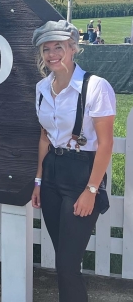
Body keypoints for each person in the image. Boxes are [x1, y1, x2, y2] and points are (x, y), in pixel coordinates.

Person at [31, 20, 115, 302]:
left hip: (83, 173)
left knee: (67, 266)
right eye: (47, 48)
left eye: (59, 47)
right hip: (53, 171)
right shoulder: (43, 87)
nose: (52, 54)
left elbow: (105, 145)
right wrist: (39, 181)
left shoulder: (95, 87)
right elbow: (45, 138)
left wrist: (91, 190)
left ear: (73, 48)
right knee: (63, 262)